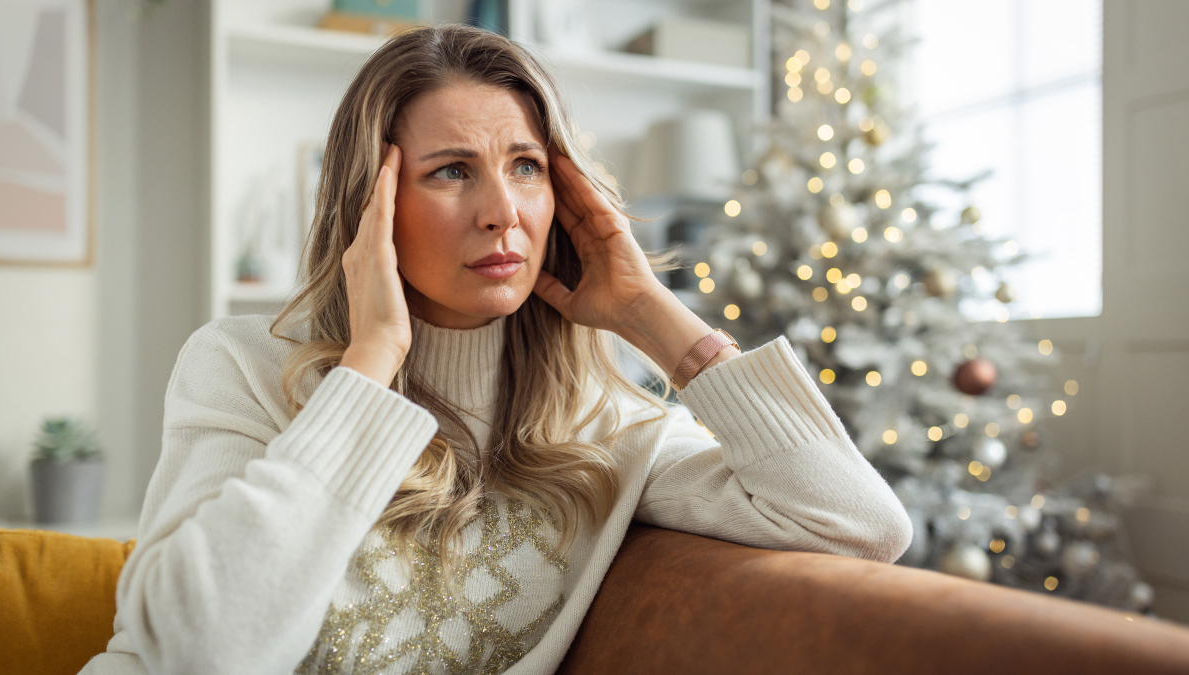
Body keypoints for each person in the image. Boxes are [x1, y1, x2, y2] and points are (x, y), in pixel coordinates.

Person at [81, 24, 912, 675]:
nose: (501, 211)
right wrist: (370, 362)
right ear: (371, 206)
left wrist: (655, 317)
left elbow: (860, 526)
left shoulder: (608, 425)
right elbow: (199, 652)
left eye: (525, 167)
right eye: (450, 171)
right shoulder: (241, 366)